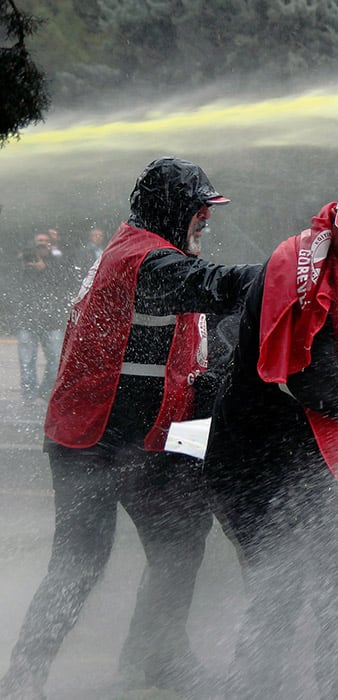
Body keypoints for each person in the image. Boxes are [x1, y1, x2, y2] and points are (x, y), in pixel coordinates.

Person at [0, 156, 261, 700]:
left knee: (182, 544)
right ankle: (23, 678)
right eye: (199, 211)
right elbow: (220, 287)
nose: (205, 222)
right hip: (91, 441)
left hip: (155, 439)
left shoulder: (158, 255)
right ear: (173, 210)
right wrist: (300, 266)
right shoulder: (142, 258)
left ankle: (157, 657)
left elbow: (197, 342)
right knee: (80, 562)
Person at [204, 176, 338, 700]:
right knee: (283, 587)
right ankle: (258, 690)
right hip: (258, 455)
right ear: (334, 223)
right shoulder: (301, 267)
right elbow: (311, 380)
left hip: (319, 456)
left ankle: (337, 689)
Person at [13, 231, 70, 403]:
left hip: (51, 320)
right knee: (26, 361)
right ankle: (29, 395)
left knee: (55, 360)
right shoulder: (23, 260)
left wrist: (45, 268)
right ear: (33, 243)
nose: (42, 245)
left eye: (45, 242)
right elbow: (12, 283)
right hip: (27, 318)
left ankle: (45, 391)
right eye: (39, 242)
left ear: (50, 244)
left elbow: (63, 283)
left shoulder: (58, 262)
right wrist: (22, 264)